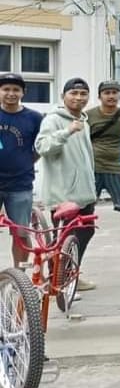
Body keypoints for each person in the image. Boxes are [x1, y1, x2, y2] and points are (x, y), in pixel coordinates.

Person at [35, 78, 98, 274]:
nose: (78, 98)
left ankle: (71, 275)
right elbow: (42, 146)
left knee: (85, 233)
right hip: (63, 195)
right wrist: (66, 132)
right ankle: (58, 281)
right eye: (73, 93)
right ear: (63, 96)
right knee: (62, 239)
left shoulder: (83, 121)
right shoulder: (53, 119)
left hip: (85, 192)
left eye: (83, 94)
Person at [0, 72, 42, 267]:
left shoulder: (34, 118)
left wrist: (25, 162)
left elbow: (41, 147)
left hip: (20, 184)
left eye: (15, 89)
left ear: (23, 92)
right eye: (6, 89)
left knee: (21, 233)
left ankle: (19, 277)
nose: (10, 93)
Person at [86, 80, 120, 206]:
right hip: (93, 168)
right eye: (107, 93)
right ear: (99, 96)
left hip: (117, 168)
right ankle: (85, 227)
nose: (111, 96)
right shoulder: (88, 116)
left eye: (115, 92)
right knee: (86, 207)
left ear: (119, 95)